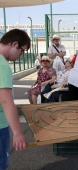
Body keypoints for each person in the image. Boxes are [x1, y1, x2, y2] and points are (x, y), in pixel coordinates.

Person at [0, 29, 30, 170]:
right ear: (14, 44)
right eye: (22, 51)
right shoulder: (2, 65)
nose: (20, 55)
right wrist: (18, 133)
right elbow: (6, 101)